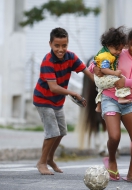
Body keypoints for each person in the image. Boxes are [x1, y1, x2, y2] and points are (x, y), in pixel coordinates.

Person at [90, 27, 132, 184]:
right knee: (114, 136)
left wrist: (126, 82)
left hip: (129, 102)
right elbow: (95, 63)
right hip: (110, 98)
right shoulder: (119, 52)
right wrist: (96, 69)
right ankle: (111, 160)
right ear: (127, 44)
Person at [33, 27, 94, 175]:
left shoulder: (71, 57)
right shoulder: (48, 61)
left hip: (57, 101)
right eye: (57, 46)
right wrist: (73, 93)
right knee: (52, 132)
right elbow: (53, 87)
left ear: (67, 44)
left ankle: (49, 159)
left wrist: (101, 86)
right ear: (50, 44)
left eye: (64, 45)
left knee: (61, 132)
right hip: (43, 99)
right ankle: (41, 162)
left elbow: (87, 72)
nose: (61, 49)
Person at [93, 26, 130, 113]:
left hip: (99, 80)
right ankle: (121, 97)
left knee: (101, 89)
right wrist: (115, 73)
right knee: (122, 80)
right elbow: (104, 70)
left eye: (121, 49)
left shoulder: (104, 51)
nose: (118, 52)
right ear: (109, 44)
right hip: (102, 77)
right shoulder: (106, 56)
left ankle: (98, 106)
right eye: (116, 49)